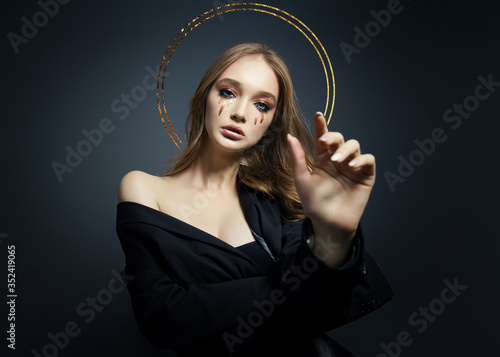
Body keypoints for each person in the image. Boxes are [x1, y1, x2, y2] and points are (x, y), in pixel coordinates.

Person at [116, 43, 393, 356]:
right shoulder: (143, 189)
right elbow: (162, 318)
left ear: (272, 122)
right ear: (205, 96)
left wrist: (332, 233)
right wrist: (288, 286)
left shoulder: (282, 195)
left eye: (262, 105)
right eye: (228, 92)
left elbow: (320, 302)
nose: (240, 112)